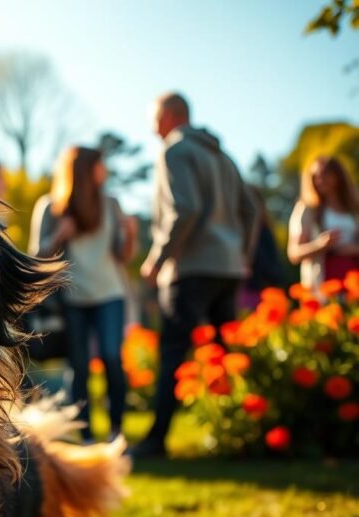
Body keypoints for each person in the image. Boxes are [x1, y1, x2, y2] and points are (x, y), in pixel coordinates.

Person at [135, 92, 258, 458]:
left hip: (190, 267)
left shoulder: (175, 150)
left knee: (173, 350)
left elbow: (184, 209)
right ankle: (238, 433)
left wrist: (157, 258)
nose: (153, 127)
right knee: (225, 352)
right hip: (229, 266)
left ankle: (156, 439)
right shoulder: (223, 156)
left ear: (172, 115)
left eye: (155, 118)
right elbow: (251, 210)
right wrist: (242, 254)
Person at [30, 147, 137, 442]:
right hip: (72, 299)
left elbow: (123, 256)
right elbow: (36, 257)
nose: (106, 170)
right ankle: (86, 434)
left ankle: (117, 431)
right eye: (101, 164)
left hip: (109, 294)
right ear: (85, 170)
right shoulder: (51, 206)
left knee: (112, 357)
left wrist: (129, 235)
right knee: (78, 366)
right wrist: (59, 235)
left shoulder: (111, 204)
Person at [288, 156, 359, 290]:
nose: (320, 180)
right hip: (322, 280)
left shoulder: (354, 208)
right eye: (315, 176)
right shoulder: (307, 209)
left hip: (353, 277)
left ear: (338, 177)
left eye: (325, 175)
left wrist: (351, 249)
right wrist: (320, 245)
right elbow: (293, 253)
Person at [239, 187, 285, 310]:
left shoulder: (264, 233)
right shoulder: (236, 232)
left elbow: (272, 267)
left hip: (259, 289)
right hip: (244, 290)